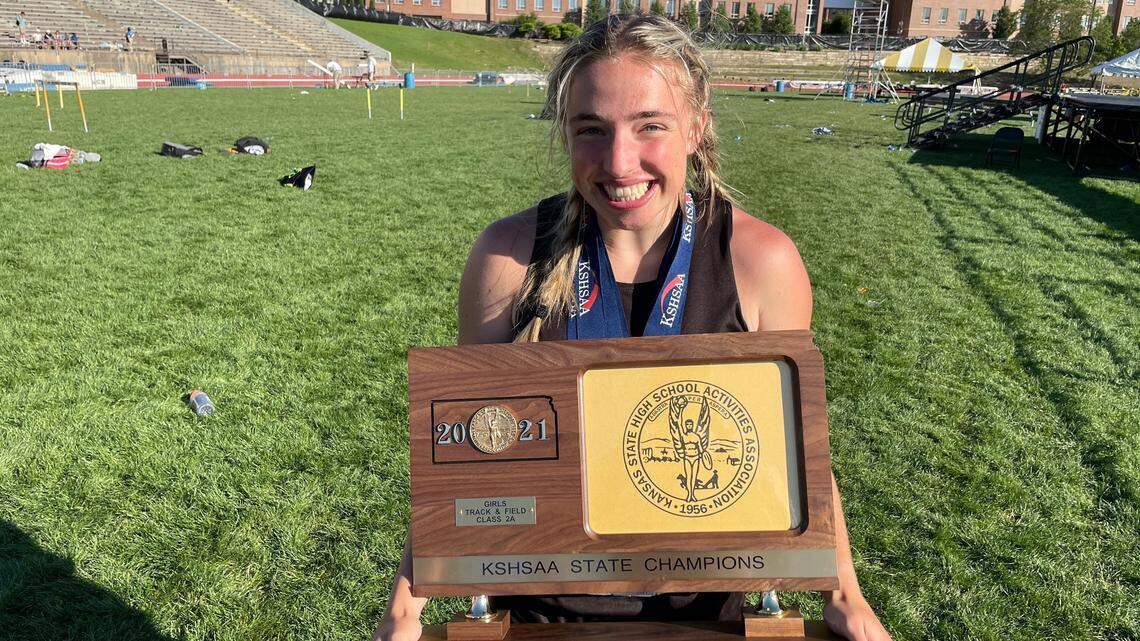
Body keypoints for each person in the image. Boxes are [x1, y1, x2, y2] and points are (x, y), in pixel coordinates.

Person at [372, 15, 892, 641]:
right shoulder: (507, 256)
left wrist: (847, 595)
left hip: (706, 614)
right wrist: (405, 607)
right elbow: (461, 453)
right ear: (564, 134)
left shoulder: (760, 261)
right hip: (540, 611)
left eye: (651, 126)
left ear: (697, 126)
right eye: (591, 130)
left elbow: (801, 445)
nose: (620, 163)